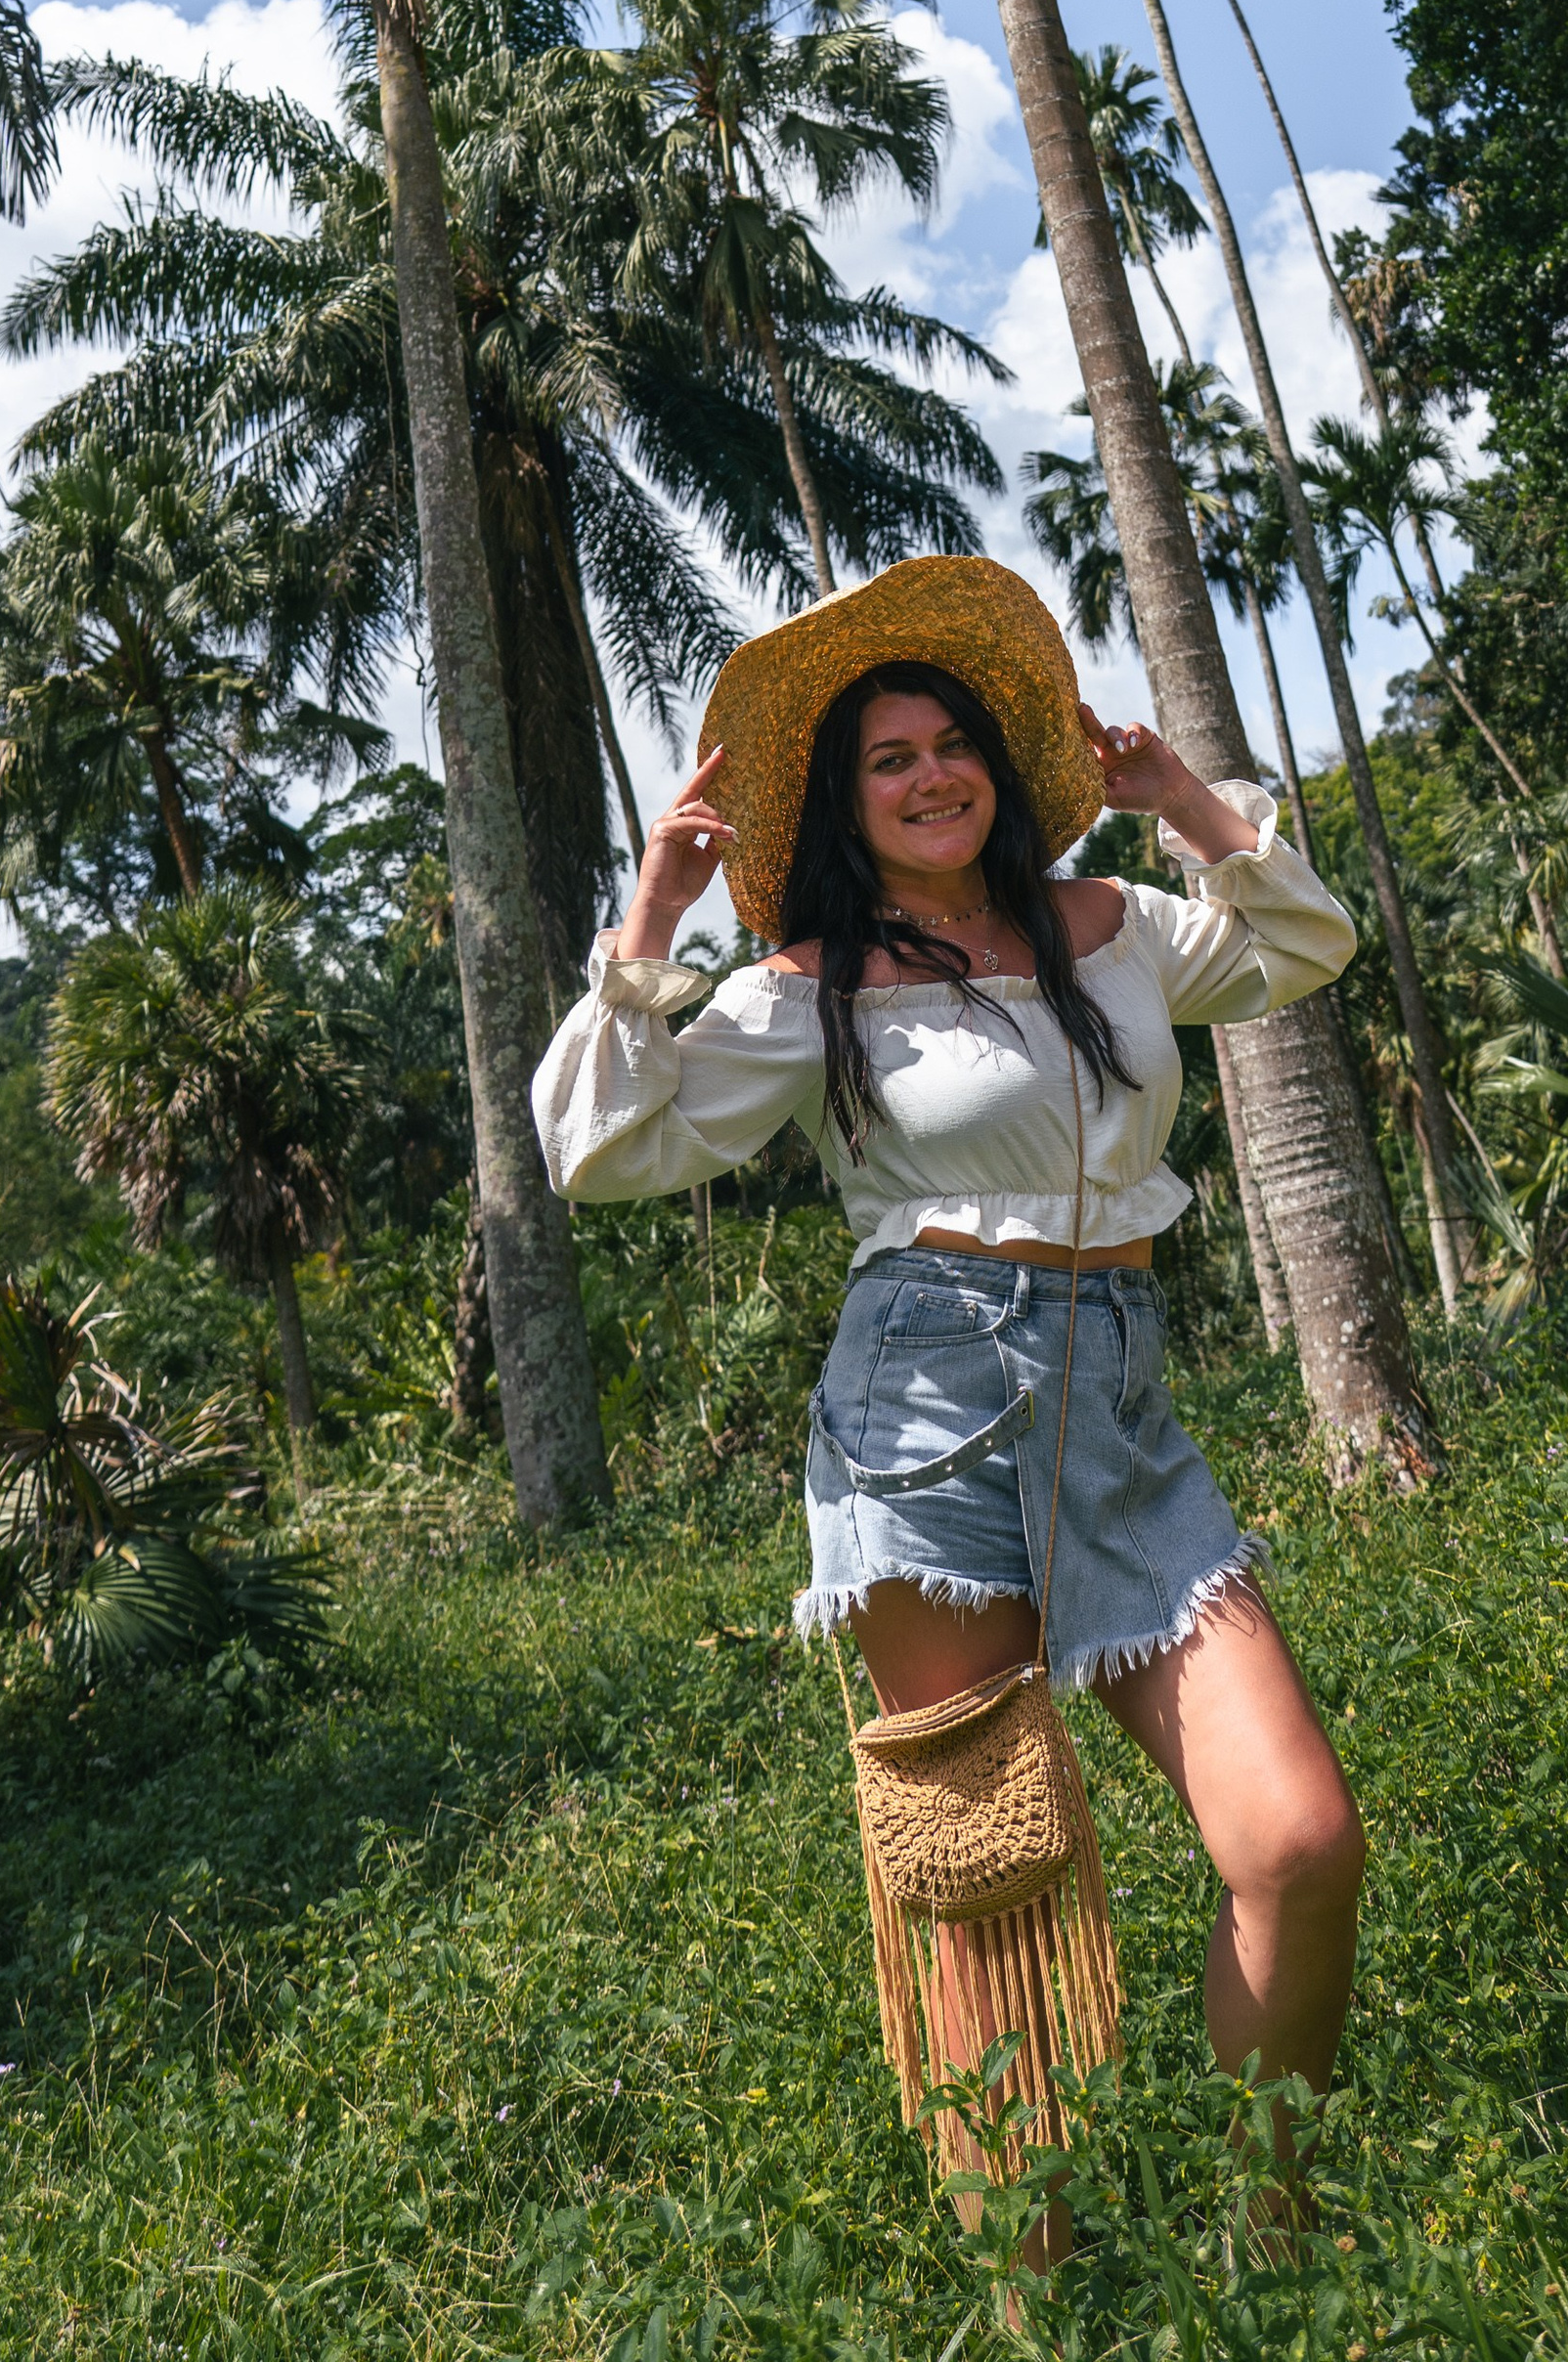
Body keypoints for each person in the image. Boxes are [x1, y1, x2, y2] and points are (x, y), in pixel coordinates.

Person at [529, 554, 1369, 2136]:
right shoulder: (816, 984)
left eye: (952, 743)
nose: (931, 777)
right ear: (847, 809)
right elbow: (600, 1148)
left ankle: (1282, 2239)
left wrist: (1178, 794)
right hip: (924, 1401)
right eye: (888, 760)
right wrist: (651, 916)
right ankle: (1031, 2293)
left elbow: (1303, 948)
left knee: (1301, 1842)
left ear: (1000, 762)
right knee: (991, 1884)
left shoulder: (1110, 925)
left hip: (1119, 1394)